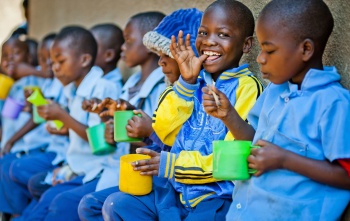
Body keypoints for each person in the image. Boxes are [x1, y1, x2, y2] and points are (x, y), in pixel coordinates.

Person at [102, 1, 263, 220]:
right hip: (174, 190)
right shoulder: (191, 82)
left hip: (215, 197)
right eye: (203, 33)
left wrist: (173, 165)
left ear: (246, 45)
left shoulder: (247, 87)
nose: (209, 41)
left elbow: (232, 162)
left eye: (223, 35)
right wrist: (186, 83)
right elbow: (162, 130)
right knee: (117, 205)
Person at [201, 0, 350, 220]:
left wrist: (283, 160)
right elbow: (256, 140)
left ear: (306, 49)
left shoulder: (333, 103)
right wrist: (229, 115)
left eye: (269, 50)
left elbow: (346, 176)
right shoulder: (275, 91)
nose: (260, 58)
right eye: (261, 49)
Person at [18, 26, 119, 221]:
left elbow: (101, 143)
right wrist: (65, 129)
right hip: (77, 165)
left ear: (84, 60)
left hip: (98, 168)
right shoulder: (72, 87)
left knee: (57, 202)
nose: (54, 67)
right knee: (42, 192)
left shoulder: (103, 88)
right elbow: (79, 128)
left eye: (60, 61)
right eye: (53, 62)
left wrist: (63, 116)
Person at [77, 11, 166, 221]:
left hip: (146, 175)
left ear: (150, 44)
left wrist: (133, 132)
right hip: (119, 168)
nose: (122, 48)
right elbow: (121, 134)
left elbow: (156, 140)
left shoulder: (162, 88)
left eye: (128, 41)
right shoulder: (130, 85)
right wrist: (109, 127)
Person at [0, 33, 69, 219]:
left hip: (42, 147)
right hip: (27, 143)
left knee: (14, 168)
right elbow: (9, 118)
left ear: (28, 59)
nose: (10, 60)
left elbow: (41, 117)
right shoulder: (16, 84)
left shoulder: (42, 80)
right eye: (5, 56)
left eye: (15, 54)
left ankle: (17, 213)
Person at [90, 23, 124, 95]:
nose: (86, 53)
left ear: (109, 55)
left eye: (91, 48)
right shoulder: (95, 81)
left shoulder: (109, 87)